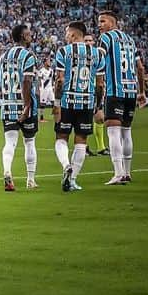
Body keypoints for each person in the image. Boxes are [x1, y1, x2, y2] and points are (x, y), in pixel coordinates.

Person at [52, 22, 105, 192]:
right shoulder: (97, 54)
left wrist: (57, 103)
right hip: (87, 102)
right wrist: (98, 105)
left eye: (67, 34)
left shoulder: (64, 52)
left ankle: (66, 165)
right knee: (81, 141)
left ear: (74, 35)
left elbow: (59, 80)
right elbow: (100, 84)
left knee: (61, 137)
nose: (65, 37)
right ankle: (73, 179)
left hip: (67, 101)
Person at [0, 24, 39, 191]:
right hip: (26, 107)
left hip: (8, 106)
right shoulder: (28, 56)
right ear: (23, 36)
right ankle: (30, 180)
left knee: (10, 143)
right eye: (29, 34)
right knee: (29, 142)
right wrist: (26, 106)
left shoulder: (3, 56)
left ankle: (7, 171)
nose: (31, 36)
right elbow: (27, 81)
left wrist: (2, 90)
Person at [98, 10, 146, 185]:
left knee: (113, 131)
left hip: (115, 91)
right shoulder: (130, 40)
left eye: (102, 21)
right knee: (126, 132)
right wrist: (142, 92)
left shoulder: (106, 38)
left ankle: (118, 173)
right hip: (131, 92)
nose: (99, 25)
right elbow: (140, 68)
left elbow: (99, 57)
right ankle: (127, 172)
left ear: (112, 22)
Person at [83, 34, 108, 157]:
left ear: (94, 42)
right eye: (85, 40)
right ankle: (85, 147)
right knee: (86, 120)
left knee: (100, 118)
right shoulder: (79, 56)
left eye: (90, 40)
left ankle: (101, 148)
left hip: (96, 90)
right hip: (84, 92)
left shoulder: (98, 56)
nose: (88, 42)